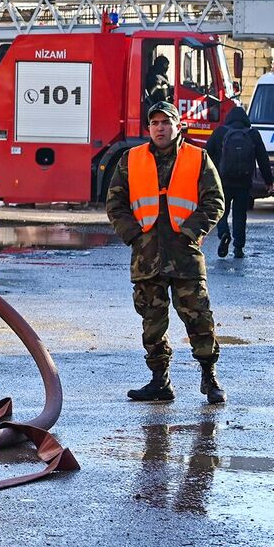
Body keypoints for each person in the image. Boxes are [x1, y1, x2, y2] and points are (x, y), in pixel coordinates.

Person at [106, 101, 228, 405]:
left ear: (178, 126)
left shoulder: (197, 158)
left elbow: (214, 201)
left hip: (184, 255)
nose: (160, 128)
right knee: (152, 321)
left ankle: (209, 378)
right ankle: (159, 381)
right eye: (155, 123)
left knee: (199, 319)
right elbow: (115, 204)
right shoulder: (130, 160)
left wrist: (191, 232)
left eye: (166, 122)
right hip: (147, 257)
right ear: (149, 128)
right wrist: (133, 235)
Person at [205, 106, 272, 258]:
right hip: (244, 182)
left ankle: (223, 233)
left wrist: (205, 178)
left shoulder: (220, 133)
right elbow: (263, 159)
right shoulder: (253, 134)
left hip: (222, 181)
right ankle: (238, 247)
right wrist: (268, 181)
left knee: (222, 211)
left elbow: (206, 155)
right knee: (240, 214)